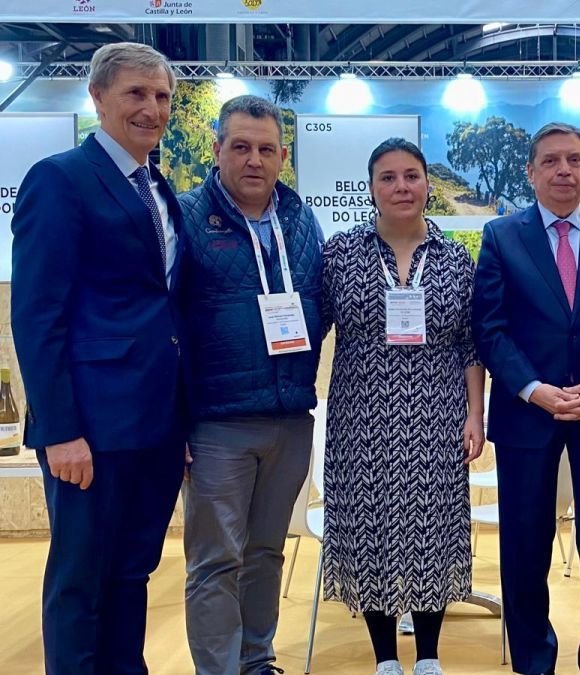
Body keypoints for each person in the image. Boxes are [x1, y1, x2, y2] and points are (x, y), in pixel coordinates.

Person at [10, 42, 185, 675]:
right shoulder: (59, 179)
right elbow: (36, 314)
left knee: (134, 569)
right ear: (98, 98)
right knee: (80, 579)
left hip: (156, 423)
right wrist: (59, 431)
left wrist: (181, 419)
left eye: (162, 96)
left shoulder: (158, 186)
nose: (151, 108)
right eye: (136, 93)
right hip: (89, 427)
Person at [472, 122, 580, 675]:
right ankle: (533, 660)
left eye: (574, 160)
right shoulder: (502, 236)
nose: (564, 170)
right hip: (528, 415)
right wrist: (534, 390)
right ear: (531, 172)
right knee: (525, 547)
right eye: (550, 161)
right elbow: (490, 327)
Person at [322, 138, 484, 675]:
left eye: (411, 175)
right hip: (359, 416)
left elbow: (469, 345)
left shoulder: (456, 258)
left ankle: (430, 655)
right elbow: (310, 324)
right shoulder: (340, 254)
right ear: (371, 188)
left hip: (437, 415)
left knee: (430, 526)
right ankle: (386, 656)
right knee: (368, 527)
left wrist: (474, 414)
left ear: (426, 184)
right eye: (388, 177)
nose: (401, 187)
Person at [177, 94, 325, 675]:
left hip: (290, 419)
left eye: (266, 149)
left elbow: (321, 303)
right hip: (217, 423)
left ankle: (257, 661)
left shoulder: (300, 218)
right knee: (215, 561)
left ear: (283, 156)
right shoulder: (186, 216)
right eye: (240, 146)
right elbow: (165, 321)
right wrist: (176, 420)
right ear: (217, 150)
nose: (254, 160)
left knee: (266, 552)